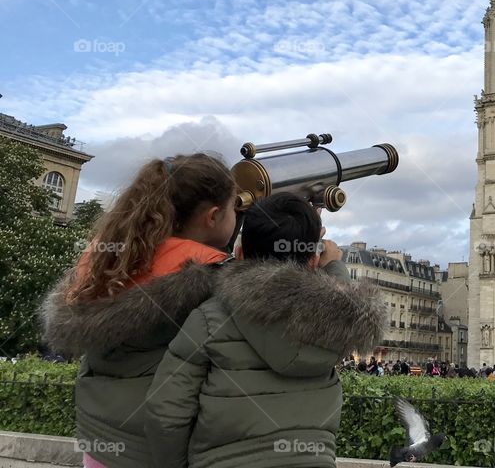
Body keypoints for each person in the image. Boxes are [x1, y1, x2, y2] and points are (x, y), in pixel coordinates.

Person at [144, 192, 386, 467]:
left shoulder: (209, 319)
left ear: (239, 254)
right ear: (312, 261)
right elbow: (344, 306)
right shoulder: (334, 326)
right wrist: (332, 264)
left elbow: (165, 414)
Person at [41, 154, 237, 468]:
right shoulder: (214, 278)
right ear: (213, 216)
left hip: (100, 445)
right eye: (233, 208)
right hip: (156, 453)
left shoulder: (112, 262)